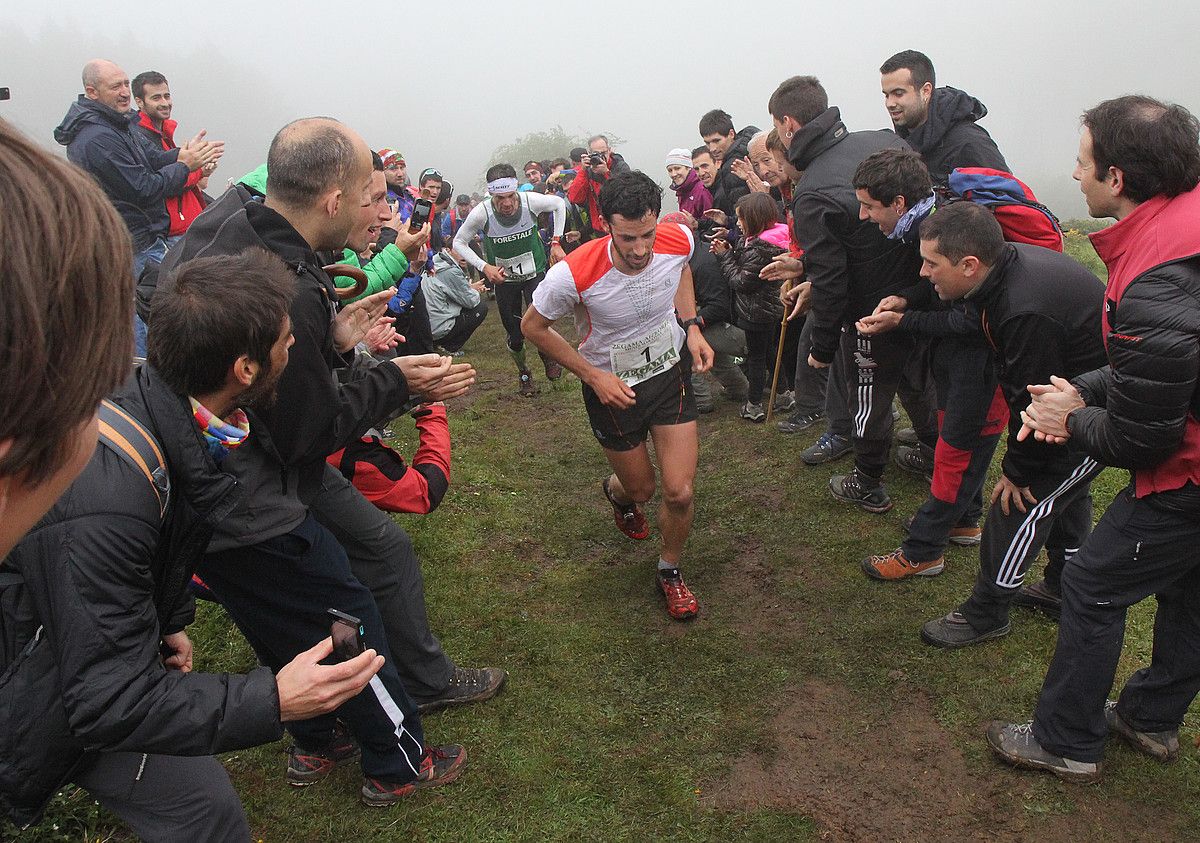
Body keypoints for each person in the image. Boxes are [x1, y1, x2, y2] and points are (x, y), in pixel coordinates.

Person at [2, 250, 432, 838]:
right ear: (245, 370)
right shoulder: (111, 497)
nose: (295, 347)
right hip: (41, 689)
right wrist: (272, 700)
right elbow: (106, 699)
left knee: (207, 813)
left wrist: (163, 617)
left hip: (81, 654)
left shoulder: (163, 405)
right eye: (287, 339)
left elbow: (147, 556)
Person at [158, 118, 502, 736]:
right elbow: (306, 433)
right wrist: (400, 381)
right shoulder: (279, 287)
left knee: (347, 569)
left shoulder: (243, 225)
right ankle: (382, 735)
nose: (385, 208)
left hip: (229, 464)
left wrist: (337, 341)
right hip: (245, 483)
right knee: (332, 595)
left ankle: (330, 730)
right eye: (372, 195)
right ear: (334, 200)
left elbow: (286, 390)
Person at [988, 95, 1200, 783]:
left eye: (1082, 165)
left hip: (1189, 474)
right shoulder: (1185, 225)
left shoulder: (1155, 276)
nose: (1073, 176)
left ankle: (1066, 740)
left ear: (1116, 178)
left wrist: (1067, 420)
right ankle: (1151, 715)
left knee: (1093, 580)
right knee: (1192, 588)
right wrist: (1086, 388)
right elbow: (1166, 360)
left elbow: (1144, 436)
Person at [906, 202, 1106, 648]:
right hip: (1080, 404)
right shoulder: (1002, 274)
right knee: (1066, 497)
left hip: (1086, 418)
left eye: (931, 262)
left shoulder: (1023, 310)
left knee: (1018, 506)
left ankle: (986, 612)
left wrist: (1018, 473)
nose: (923, 273)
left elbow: (1035, 406)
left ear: (970, 265)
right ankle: (1060, 586)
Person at [522, 171, 716, 621]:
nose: (641, 249)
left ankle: (669, 569)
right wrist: (593, 376)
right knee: (642, 488)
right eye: (628, 238)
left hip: (667, 373)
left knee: (680, 491)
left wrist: (691, 327)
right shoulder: (571, 273)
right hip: (612, 389)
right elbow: (532, 326)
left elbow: (682, 270)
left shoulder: (677, 238)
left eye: (647, 234)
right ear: (605, 224)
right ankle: (620, 496)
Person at [768, 74, 937, 512]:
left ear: (787, 124)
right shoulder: (881, 140)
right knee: (919, 385)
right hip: (921, 294)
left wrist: (821, 348)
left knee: (869, 399)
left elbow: (832, 280)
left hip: (868, 316)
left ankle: (868, 480)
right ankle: (935, 455)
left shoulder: (812, 191)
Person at [854, 148, 1004, 579]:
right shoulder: (939, 217)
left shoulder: (939, 228)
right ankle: (964, 520)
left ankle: (924, 549)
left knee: (954, 455)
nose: (922, 271)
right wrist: (906, 298)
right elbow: (944, 290)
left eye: (868, 205)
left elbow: (967, 316)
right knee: (965, 450)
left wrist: (903, 318)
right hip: (969, 363)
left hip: (979, 370)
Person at [54, 59, 222, 355]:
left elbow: (153, 160)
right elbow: (143, 188)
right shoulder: (98, 138)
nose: (124, 93)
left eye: (124, 84)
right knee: (144, 314)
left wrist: (182, 155)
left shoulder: (119, 125)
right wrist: (186, 167)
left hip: (145, 237)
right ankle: (141, 375)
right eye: (115, 86)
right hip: (130, 241)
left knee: (153, 308)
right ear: (92, 92)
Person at [452, 163, 567, 396]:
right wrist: (484, 267)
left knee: (540, 322)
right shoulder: (481, 213)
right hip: (506, 282)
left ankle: (547, 356)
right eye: (499, 197)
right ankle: (524, 372)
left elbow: (558, 204)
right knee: (515, 334)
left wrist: (556, 242)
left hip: (534, 274)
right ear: (491, 194)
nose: (506, 203)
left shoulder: (529, 201)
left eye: (510, 196)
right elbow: (458, 242)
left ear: (516, 191)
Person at [712, 193, 795, 422]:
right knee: (768, 351)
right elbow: (745, 243)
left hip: (757, 311)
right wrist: (730, 235)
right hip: (766, 308)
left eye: (740, 219)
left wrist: (724, 257)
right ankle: (785, 395)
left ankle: (754, 405)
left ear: (754, 219)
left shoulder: (761, 250)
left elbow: (741, 281)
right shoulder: (766, 239)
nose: (737, 223)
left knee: (757, 358)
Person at [879, 50, 1008, 184]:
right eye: (886, 95)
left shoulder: (970, 143)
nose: (890, 103)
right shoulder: (900, 145)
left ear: (925, 91)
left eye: (898, 93)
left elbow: (1008, 197)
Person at [662, 211, 748, 412]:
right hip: (727, 326)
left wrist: (692, 323)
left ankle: (700, 400)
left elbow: (721, 306)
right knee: (703, 342)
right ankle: (740, 389)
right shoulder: (691, 256)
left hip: (741, 332)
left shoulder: (704, 262)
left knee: (683, 341)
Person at [131, 70, 214, 244]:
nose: (165, 103)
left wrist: (201, 166)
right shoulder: (140, 136)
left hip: (187, 225)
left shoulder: (163, 133)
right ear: (139, 102)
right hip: (172, 232)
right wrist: (197, 169)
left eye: (166, 96)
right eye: (156, 98)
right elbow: (167, 182)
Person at [423, 248, 489, 352]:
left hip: (424, 328)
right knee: (481, 307)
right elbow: (470, 301)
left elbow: (450, 290)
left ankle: (436, 343)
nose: (463, 255)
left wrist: (469, 288)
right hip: (438, 329)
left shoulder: (435, 264)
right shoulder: (450, 270)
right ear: (448, 250)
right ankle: (449, 347)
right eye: (459, 250)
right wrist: (476, 291)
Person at [698, 109, 760, 217]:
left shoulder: (732, 165)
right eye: (707, 143)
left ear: (731, 134)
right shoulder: (749, 144)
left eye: (716, 141)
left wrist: (731, 232)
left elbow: (741, 211)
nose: (712, 148)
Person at [566, 134, 630, 236]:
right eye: (596, 153)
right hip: (599, 227)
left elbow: (626, 194)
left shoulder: (620, 166)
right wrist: (583, 170)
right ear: (589, 154)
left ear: (609, 150)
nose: (600, 157)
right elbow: (574, 198)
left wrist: (606, 173)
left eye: (603, 152)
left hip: (621, 225)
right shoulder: (587, 170)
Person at [666, 147, 713, 218]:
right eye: (670, 170)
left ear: (688, 167)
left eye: (677, 168)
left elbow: (711, 220)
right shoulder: (682, 190)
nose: (673, 174)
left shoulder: (701, 189)